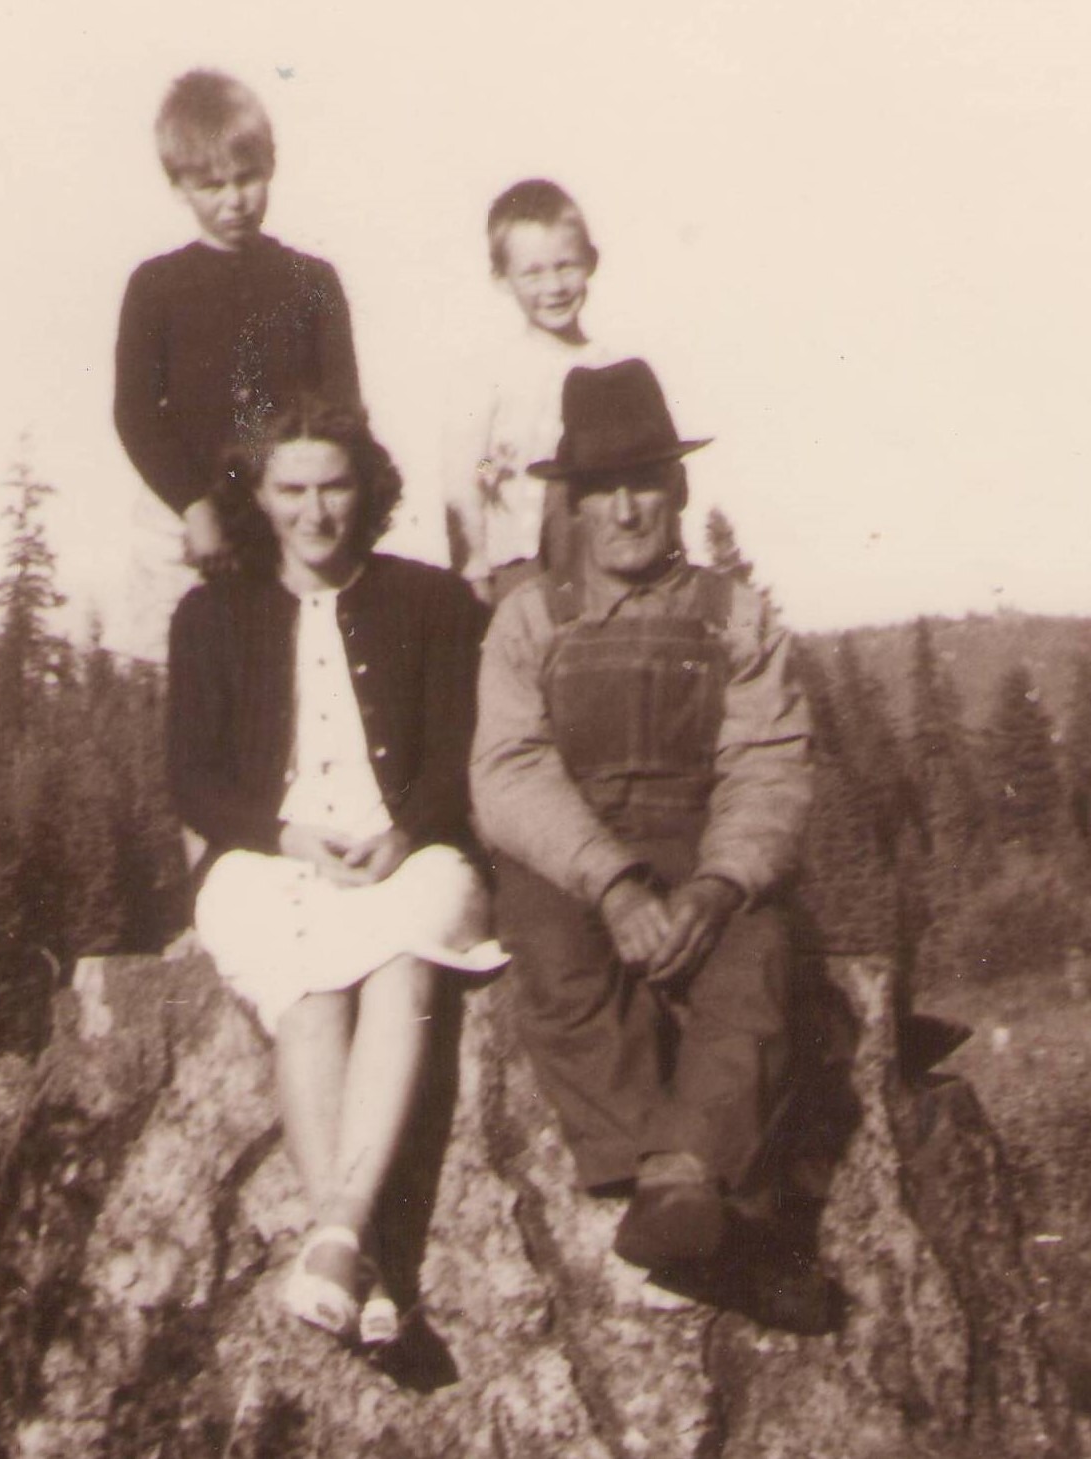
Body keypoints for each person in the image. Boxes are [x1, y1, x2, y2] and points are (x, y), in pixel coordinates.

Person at [167, 395, 504, 1344]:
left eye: (335, 486)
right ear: (260, 498)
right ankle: (366, 1256)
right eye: (292, 489)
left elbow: (461, 754)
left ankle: (339, 1235)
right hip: (269, 857)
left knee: (406, 958)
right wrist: (286, 837)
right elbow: (191, 779)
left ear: (368, 490)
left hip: (407, 847)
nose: (315, 512)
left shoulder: (432, 601)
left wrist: (405, 832)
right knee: (310, 993)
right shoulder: (210, 616)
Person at [470, 359, 812, 1278]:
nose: (625, 509)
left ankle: (679, 1179)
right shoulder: (529, 620)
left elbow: (768, 766)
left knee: (760, 960)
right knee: (551, 951)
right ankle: (687, 1186)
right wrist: (613, 883)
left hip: (704, 855)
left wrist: (717, 886)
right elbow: (509, 772)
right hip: (577, 864)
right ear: (571, 504)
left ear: (678, 489)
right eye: (602, 489)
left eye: (645, 484)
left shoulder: (737, 616)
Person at [116, 69, 360, 653]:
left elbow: (343, 407)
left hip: (292, 518)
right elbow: (135, 414)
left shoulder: (312, 282)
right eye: (211, 185)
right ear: (178, 185)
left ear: (271, 166)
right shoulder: (155, 286)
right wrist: (195, 508)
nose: (234, 200)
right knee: (185, 684)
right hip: (184, 524)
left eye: (247, 178)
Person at [443, 179, 618, 605]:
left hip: (593, 567)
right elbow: (472, 472)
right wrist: (475, 562)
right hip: (516, 565)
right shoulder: (496, 372)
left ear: (591, 261)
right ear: (503, 279)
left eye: (566, 266)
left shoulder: (608, 368)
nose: (554, 287)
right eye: (533, 273)